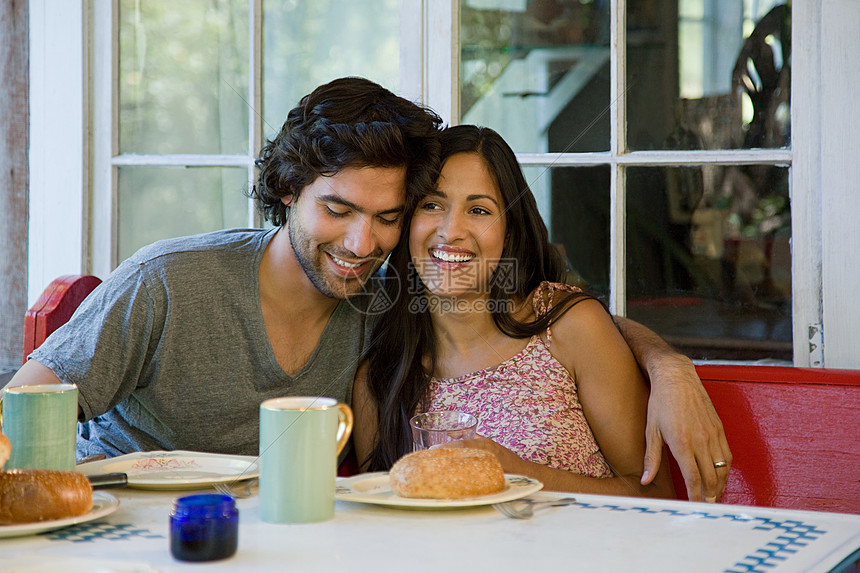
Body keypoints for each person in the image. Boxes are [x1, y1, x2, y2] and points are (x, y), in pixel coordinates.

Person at [9, 78, 729, 500]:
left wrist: (667, 362)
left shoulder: (384, 303)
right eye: (339, 210)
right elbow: (24, 411)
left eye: (387, 215)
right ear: (288, 190)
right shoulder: (171, 279)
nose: (362, 244)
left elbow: (557, 308)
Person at [353, 125, 727, 499]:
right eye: (432, 204)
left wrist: (515, 474)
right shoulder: (380, 380)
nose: (451, 231)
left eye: (479, 210)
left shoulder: (568, 329)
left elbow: (654, 495)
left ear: (509, 232)